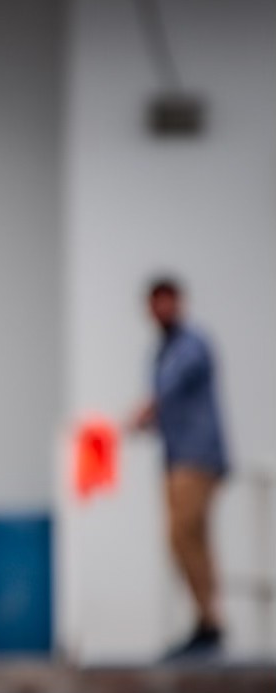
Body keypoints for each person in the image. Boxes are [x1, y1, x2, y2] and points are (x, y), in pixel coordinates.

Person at [128, 277, 230, 659]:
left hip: (197, 456)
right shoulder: (160, 351)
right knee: (184, 539)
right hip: (175, 456)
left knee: (185, 532)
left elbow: (168, 390)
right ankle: (207, 621)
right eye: (155, 303)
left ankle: (210, 622)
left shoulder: (191, 344)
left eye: (167, 302)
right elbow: (165, 405)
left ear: (179, 303)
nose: (161, 310)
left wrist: (141, 414)